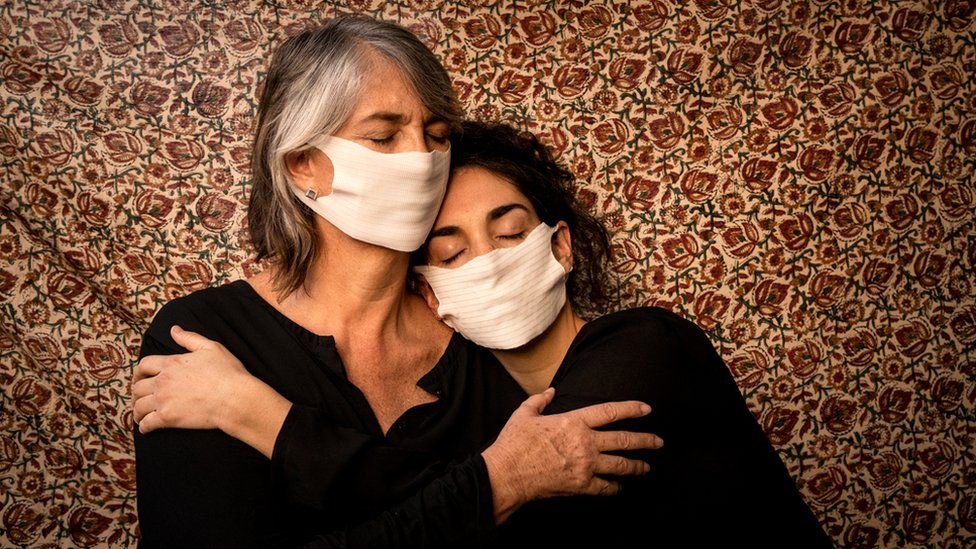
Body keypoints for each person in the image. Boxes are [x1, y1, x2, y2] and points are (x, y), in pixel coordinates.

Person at [130, 15, 661, 549]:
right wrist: (499, 484)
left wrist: (259, 416)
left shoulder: (483, 334)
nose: (422, 160)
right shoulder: (202, 341)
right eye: (383, 136)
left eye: (436, 135)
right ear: (302, 165)